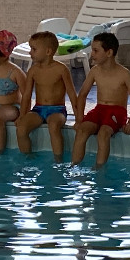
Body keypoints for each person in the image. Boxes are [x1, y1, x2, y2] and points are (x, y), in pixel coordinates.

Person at [72, 33, 130, 167]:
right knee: (82, 130)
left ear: (109, 52)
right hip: (99, 110)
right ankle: (74, 167)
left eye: (96, 50)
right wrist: (79, 119)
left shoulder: (124, 74)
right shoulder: (95, 71)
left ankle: (99, 170)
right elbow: (82, 95)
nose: (92, 54)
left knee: (103, 134)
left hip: (117, 112)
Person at [16, 31, 78, 162]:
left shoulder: (61, 69)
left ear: (48, 51)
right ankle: (27, 158)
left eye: (34, 49)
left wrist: (78, 118)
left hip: (57, 110)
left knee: (54, 125)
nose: (30, 52)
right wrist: (22, 115)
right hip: (38, 109)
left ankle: (58, 160)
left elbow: (72, 94)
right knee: (21, 128)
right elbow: (26, 95)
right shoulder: (33, 71)